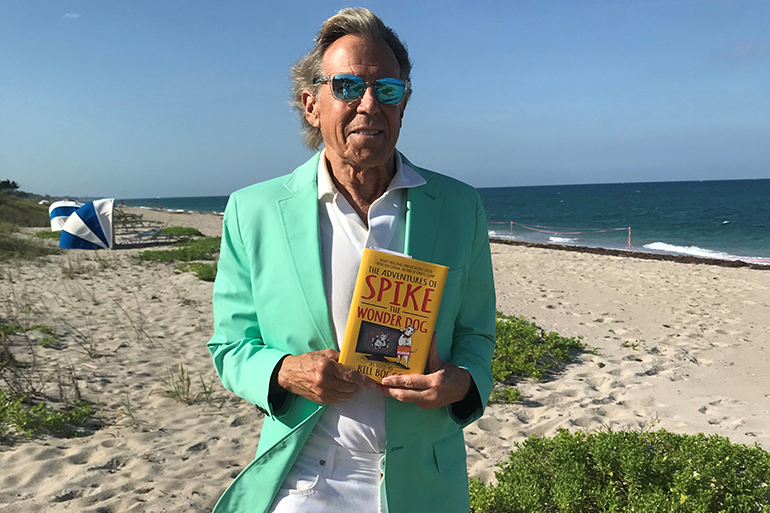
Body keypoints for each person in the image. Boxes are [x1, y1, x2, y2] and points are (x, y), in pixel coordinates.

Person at [207, 8, 495, 513]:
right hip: (306, 476)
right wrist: (284, 370)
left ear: (404, 104)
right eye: (346, 87)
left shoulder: (458, 206)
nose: (368, 105)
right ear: (310, 105)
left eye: (387, 90)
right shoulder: (252, 211)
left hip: (422, 480)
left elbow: (477, 335)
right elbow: (230, 346)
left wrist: (461, 382)